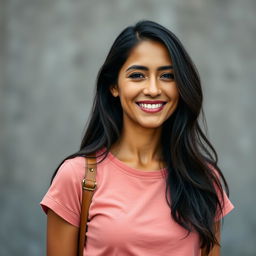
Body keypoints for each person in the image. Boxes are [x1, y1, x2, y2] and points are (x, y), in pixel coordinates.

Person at [40, 20, 234, 256]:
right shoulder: (76, 177)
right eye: (138, 75)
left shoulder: (203, 179)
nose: (153, 89)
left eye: (167, 76)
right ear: (114, 86)